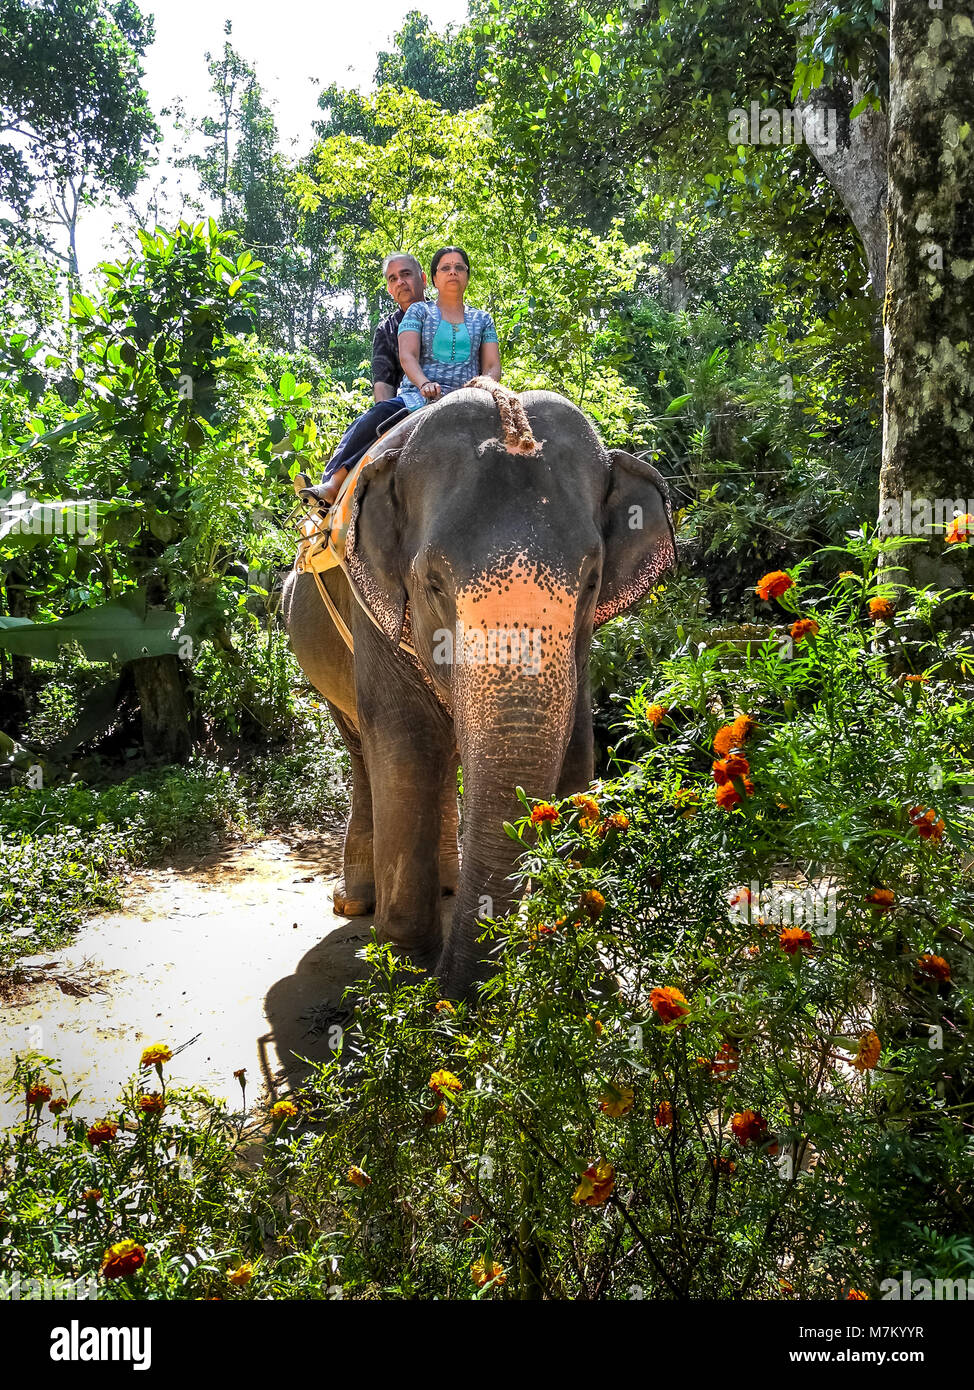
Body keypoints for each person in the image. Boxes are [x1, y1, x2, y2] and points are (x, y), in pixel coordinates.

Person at [309, 253, 428, 504]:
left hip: (452, 393)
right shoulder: (387, 328)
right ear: (388, 288)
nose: (400, 282)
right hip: (409, 403)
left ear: (424, 279)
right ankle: (329, 492)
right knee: (368, 423)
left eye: (406, 274)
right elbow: (384, 381)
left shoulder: (444, 315)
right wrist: (384, 418)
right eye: (393, 278)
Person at [396, 246, 501, 412]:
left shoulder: (483, 319)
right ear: (434, 279)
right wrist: (425, 384)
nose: (453, 272)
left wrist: (482, 393)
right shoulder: (419, 311)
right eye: (445, 268)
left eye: (459, 268)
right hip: (417, 396)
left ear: (467, 277)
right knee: (373, 419)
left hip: (469, 401)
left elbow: (492, 365)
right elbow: (408, 356)